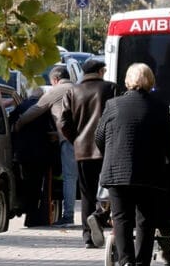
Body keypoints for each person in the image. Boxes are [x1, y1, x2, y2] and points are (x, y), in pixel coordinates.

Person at [94, 62, 170, 266]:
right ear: (150, 81)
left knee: (121, 219)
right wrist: (169, 159)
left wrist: (113, 153)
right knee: (145, 219)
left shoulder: (113, 105)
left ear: (127, 81)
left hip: (117, 172)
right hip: (150, 173)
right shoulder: (159, 107)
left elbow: (99, 136)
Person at [61, 58, 116, 247]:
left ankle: (87, 236)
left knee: (87, 194)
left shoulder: (72, 92)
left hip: (83, 150)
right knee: (113, 190)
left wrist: (76, 140)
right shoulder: (111, 89)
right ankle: (100, 218)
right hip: (108, 149)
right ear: (101, 71)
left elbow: (64, 123)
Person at [14, 65, 76, 224]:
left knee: (70, 178)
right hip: (87, 140)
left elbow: (36, 110)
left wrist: (18, 124)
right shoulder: (78, 88)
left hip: (68, 140)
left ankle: (68, 216)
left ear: (55, 80)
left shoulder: (55, 91)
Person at [10, 91, 59, 225]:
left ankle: (28, 212)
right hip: (41, 154)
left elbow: (12, 127)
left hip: (22, 154)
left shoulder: (20, 107)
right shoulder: (45, 109)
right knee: (38, 186)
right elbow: (52, 129)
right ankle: (34, 217)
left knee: (26, 183)